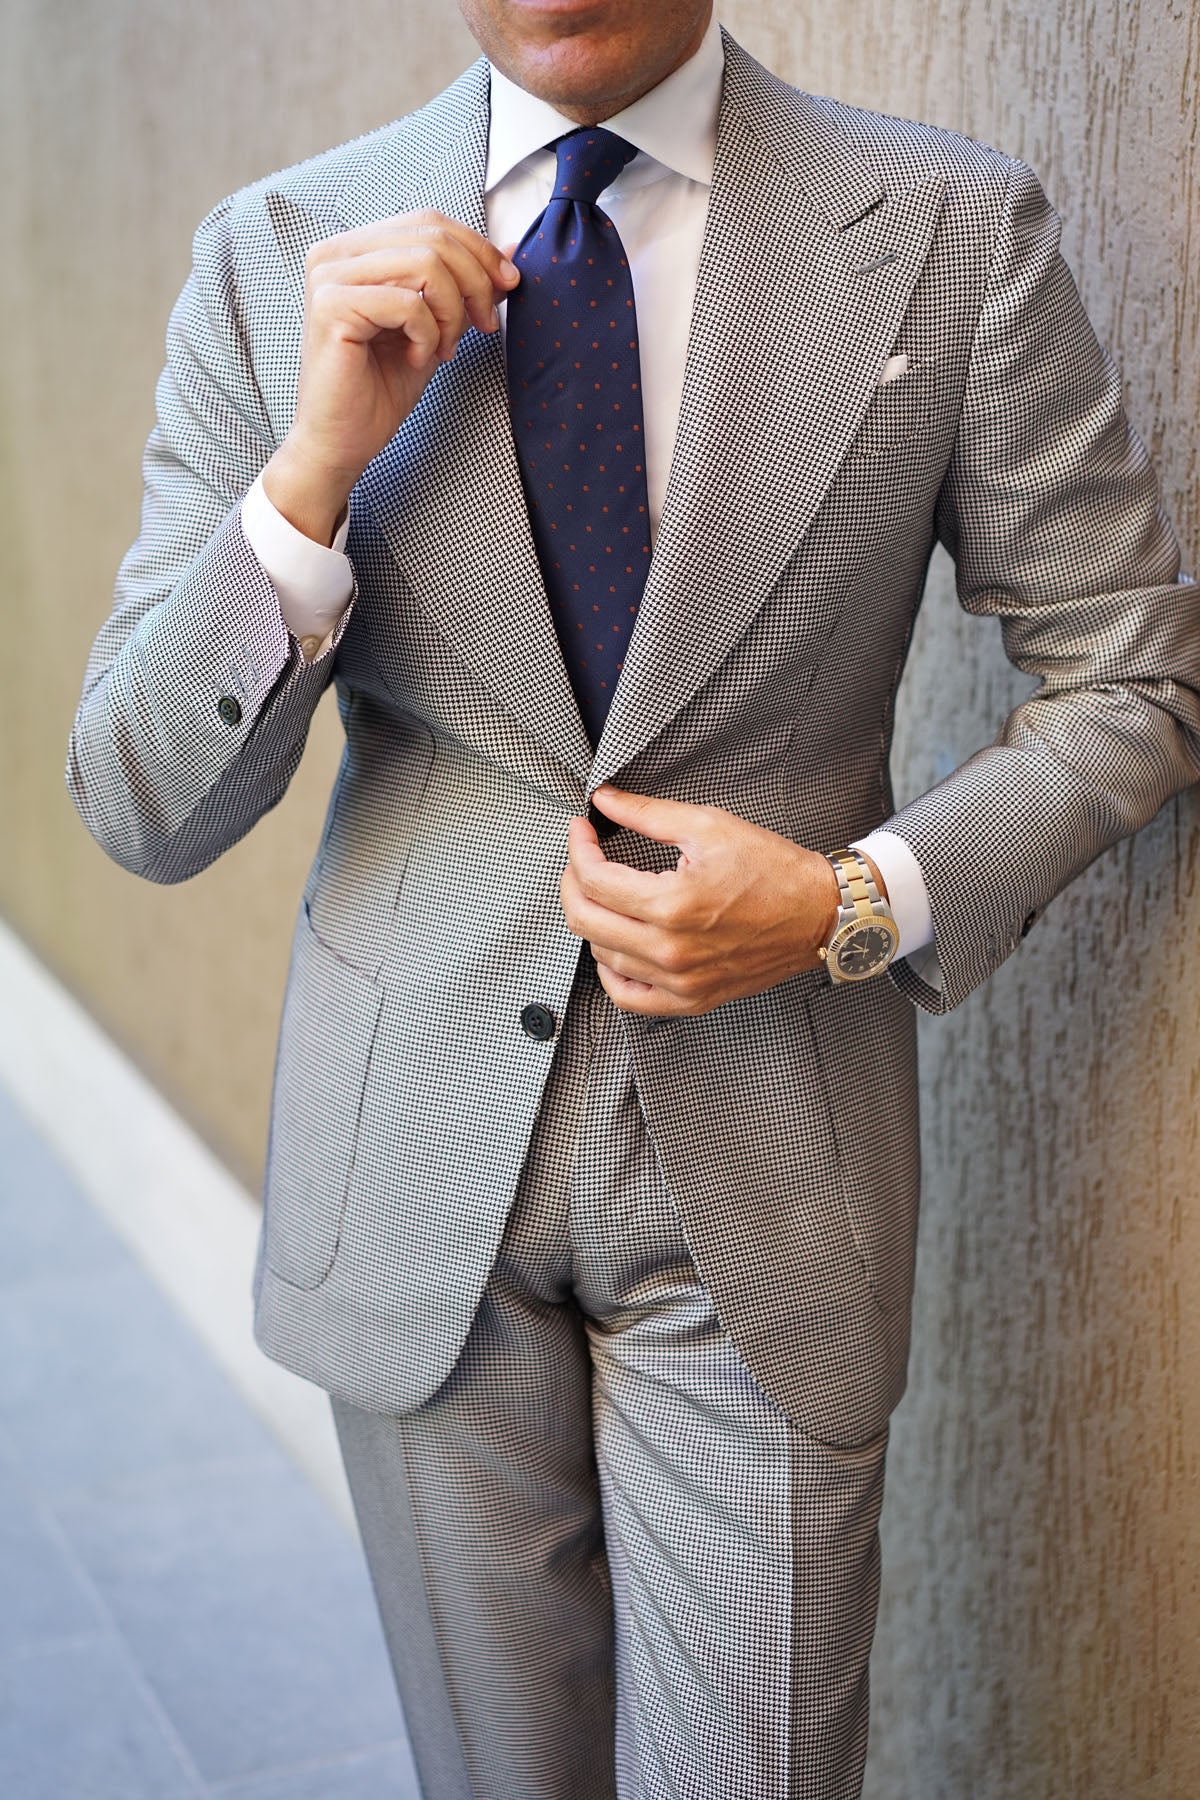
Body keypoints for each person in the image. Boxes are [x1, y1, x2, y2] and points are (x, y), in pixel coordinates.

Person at [67, 1, 1200, 1794]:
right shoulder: (278, 251)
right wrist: (306, 486)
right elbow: (138, 804)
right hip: (410, 1174)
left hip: (775, 1171)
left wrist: (858, 896)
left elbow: (1136, 673)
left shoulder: (947, 227)